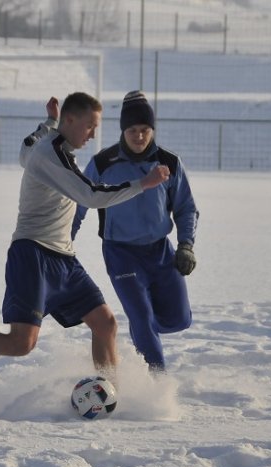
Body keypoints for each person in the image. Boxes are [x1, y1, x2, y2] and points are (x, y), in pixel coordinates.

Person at [0, 92, 171, 390]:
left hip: (64, 258)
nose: (93, 134)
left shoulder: (47, 147)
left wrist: (49, 121)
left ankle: (108, 393)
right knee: (21, 343)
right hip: (32, 254)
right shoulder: (53, 155)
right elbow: (92, 195)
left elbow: (25, 151)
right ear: (70, 120)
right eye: (90, 126)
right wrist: (143, 183)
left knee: (105, 324)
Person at [72, 91, 199, 373]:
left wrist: (186, 245)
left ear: (152, 130)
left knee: (179, 319)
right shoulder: (103, 164)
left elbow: (186, 208)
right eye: (132, 130)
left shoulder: (169, 163)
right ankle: (157, 383)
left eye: (145, 130)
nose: (139, 136)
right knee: (141, 317)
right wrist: (62, 243)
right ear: (123, 131)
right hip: (121, 253)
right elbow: (79, 206)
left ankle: (145, 335)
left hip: (160, 251)